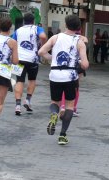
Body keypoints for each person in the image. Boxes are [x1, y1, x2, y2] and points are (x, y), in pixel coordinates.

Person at [38, 14, 90, 145]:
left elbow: (41, 52)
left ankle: (54, 115)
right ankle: (62, 135)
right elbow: (85, 65)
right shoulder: (80, 42)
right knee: (69, 106)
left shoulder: (55, 37)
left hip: (55, 74)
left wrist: (52, 58)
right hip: (70, 76)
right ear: (78, 27)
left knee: (55, 102)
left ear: (65, 25)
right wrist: (78, 60)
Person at [12, 12, 47, 115]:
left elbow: (13, 43)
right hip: (33, 59)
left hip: (19, 59)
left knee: (19, 81)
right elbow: (43, 37)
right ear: (33, 21)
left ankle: (17, 105)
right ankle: (27, 100)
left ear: (24, 21)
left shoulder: (18, 30)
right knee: (32, 80)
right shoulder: (37, 28)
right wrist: (42, 46)